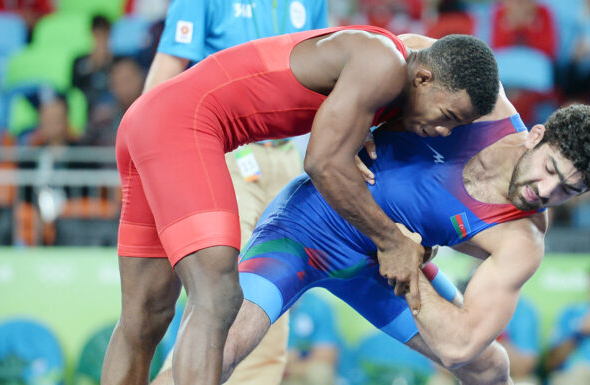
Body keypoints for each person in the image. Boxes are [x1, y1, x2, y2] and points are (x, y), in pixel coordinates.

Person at [150, 48, 590, 383]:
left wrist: (406, 263)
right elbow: (376, 58)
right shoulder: (482, 102)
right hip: (306, 227)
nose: (545, 192)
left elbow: (458, 345)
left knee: (489, 367)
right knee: (226, 345)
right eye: (550, 171)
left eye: (568, 191)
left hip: (384, 268)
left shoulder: (522, 240)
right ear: (537, 135)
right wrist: (350, 123)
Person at [103, 25, 501, 385]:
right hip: (186, 124)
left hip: (150, 119)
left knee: (146, 316)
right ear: (424, 78)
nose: (444, 129)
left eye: (455, 127)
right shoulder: (385, 64)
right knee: (219, 295)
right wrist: (392, 242)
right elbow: (322, 163)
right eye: (447, 115)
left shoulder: (388, 72)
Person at [142, 1, 328, 381]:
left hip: (288, 157)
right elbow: (165, 72)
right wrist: (146, 164)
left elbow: (324, 75)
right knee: (229, 294)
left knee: (272, 299)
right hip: (224, 152)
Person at [282, 292, 340, 385]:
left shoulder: (318, 305)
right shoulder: (258, 305)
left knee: (320, 373)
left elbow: (326, 356)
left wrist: (293, 367)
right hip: (265, 368)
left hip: (299, 369)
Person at [497, 298, 540, 385]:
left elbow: (523, 368)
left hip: (507, 377)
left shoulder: (522, 308)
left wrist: (495, 335)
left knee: (525, 383)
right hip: (467, 376)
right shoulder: (464, 302)